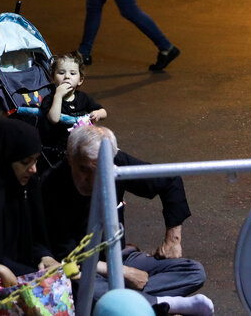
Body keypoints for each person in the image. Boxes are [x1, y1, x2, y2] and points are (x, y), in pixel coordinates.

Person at [41, 125, 213, 315]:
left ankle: (125, 300)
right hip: (84, 268)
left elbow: (170, 181)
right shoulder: (51, 186)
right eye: (83, 169)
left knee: (194, 272)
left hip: (121, 256)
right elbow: (66, 255)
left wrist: (173, 239)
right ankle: (163, 304)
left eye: (99, 170)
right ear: (70, 158)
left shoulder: (116, 164)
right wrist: (123, 273)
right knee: (82, 290)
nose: (91, 180)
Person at [0, 118, 56, 285]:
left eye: (36, 160)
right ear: (4, 158)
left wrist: (45, 256)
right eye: (25, 162)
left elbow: (36, 235)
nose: (33, 169)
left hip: (20, 270)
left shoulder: (28, 184)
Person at [37, 52, 107, 166]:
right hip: (58, 149)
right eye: (61, 73)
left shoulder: (83, 98)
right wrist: (58, 96)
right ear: (52, 78)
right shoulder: (49, 99)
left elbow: (104, 112)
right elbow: (54, 119)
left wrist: (97, 113)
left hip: (80, 145)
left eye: (73, 73)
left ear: (80, 80)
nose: (67, 76)